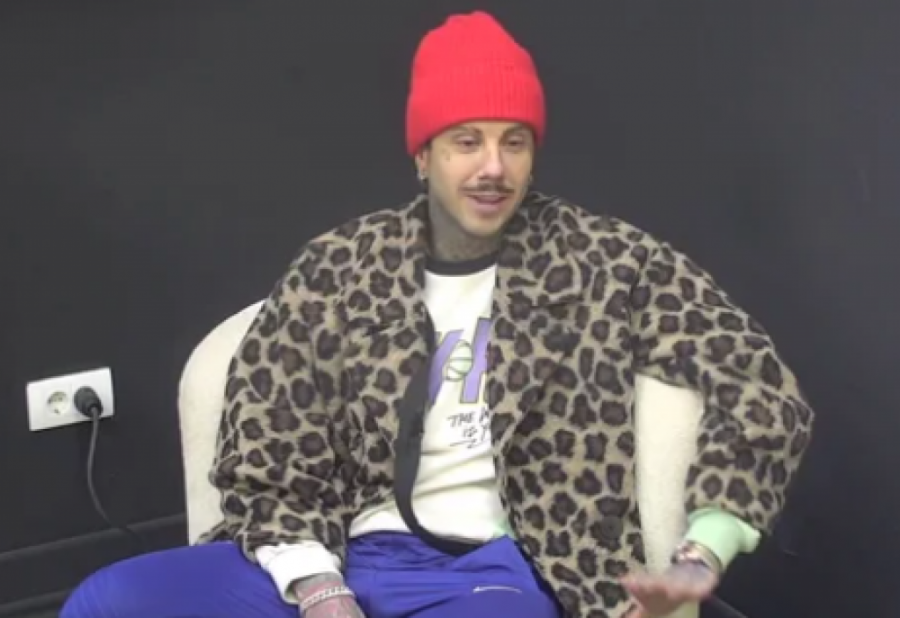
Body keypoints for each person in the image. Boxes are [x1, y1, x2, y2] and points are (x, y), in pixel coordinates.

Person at [61, 10, 814, 618]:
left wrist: (703, 548)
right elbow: (267, 440)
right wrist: (317, 586)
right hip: (337, 553)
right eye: (466, 141)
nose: (493, 167)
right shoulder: (339, 266)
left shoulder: (607, 262)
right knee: (107, 601)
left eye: (514, 142)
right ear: (423, 156)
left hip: (493, 571)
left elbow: (758, 386)